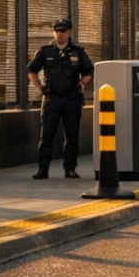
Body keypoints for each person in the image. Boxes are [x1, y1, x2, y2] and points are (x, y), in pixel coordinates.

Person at [26, 19, 94, 179]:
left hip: (72, 98)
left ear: (69, 32)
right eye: (57, 31)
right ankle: (43, 169)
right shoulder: (45, 51)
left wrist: (81, 83)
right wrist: (39, 86)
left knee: (72, 135)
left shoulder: (78, 52)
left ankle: (70, 168)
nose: (59, 34)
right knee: (47, 135)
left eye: (63, 31)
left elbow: (89, 70)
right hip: (52, 98)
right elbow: (31, 70)